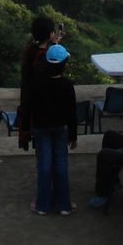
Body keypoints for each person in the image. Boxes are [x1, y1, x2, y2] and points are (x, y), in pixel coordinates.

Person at [23, 43, 78, 215]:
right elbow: (71, 113)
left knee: (44, 165)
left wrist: (25, 128)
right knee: (61, 164)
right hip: (61, 129)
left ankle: (42, 205)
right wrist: (73, 136)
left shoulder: (36, 83)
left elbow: (27, 107)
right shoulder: (67, 85)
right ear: (64, 64)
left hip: (41, 129)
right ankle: (64, 204)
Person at [16, 14, 57, 150]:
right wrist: (55, 44)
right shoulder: (42, 56)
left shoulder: (29, 49)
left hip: (28, 96)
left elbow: (42, 53)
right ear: (51, 34)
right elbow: (50, 65)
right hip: (39, 102)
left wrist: (54, 43)